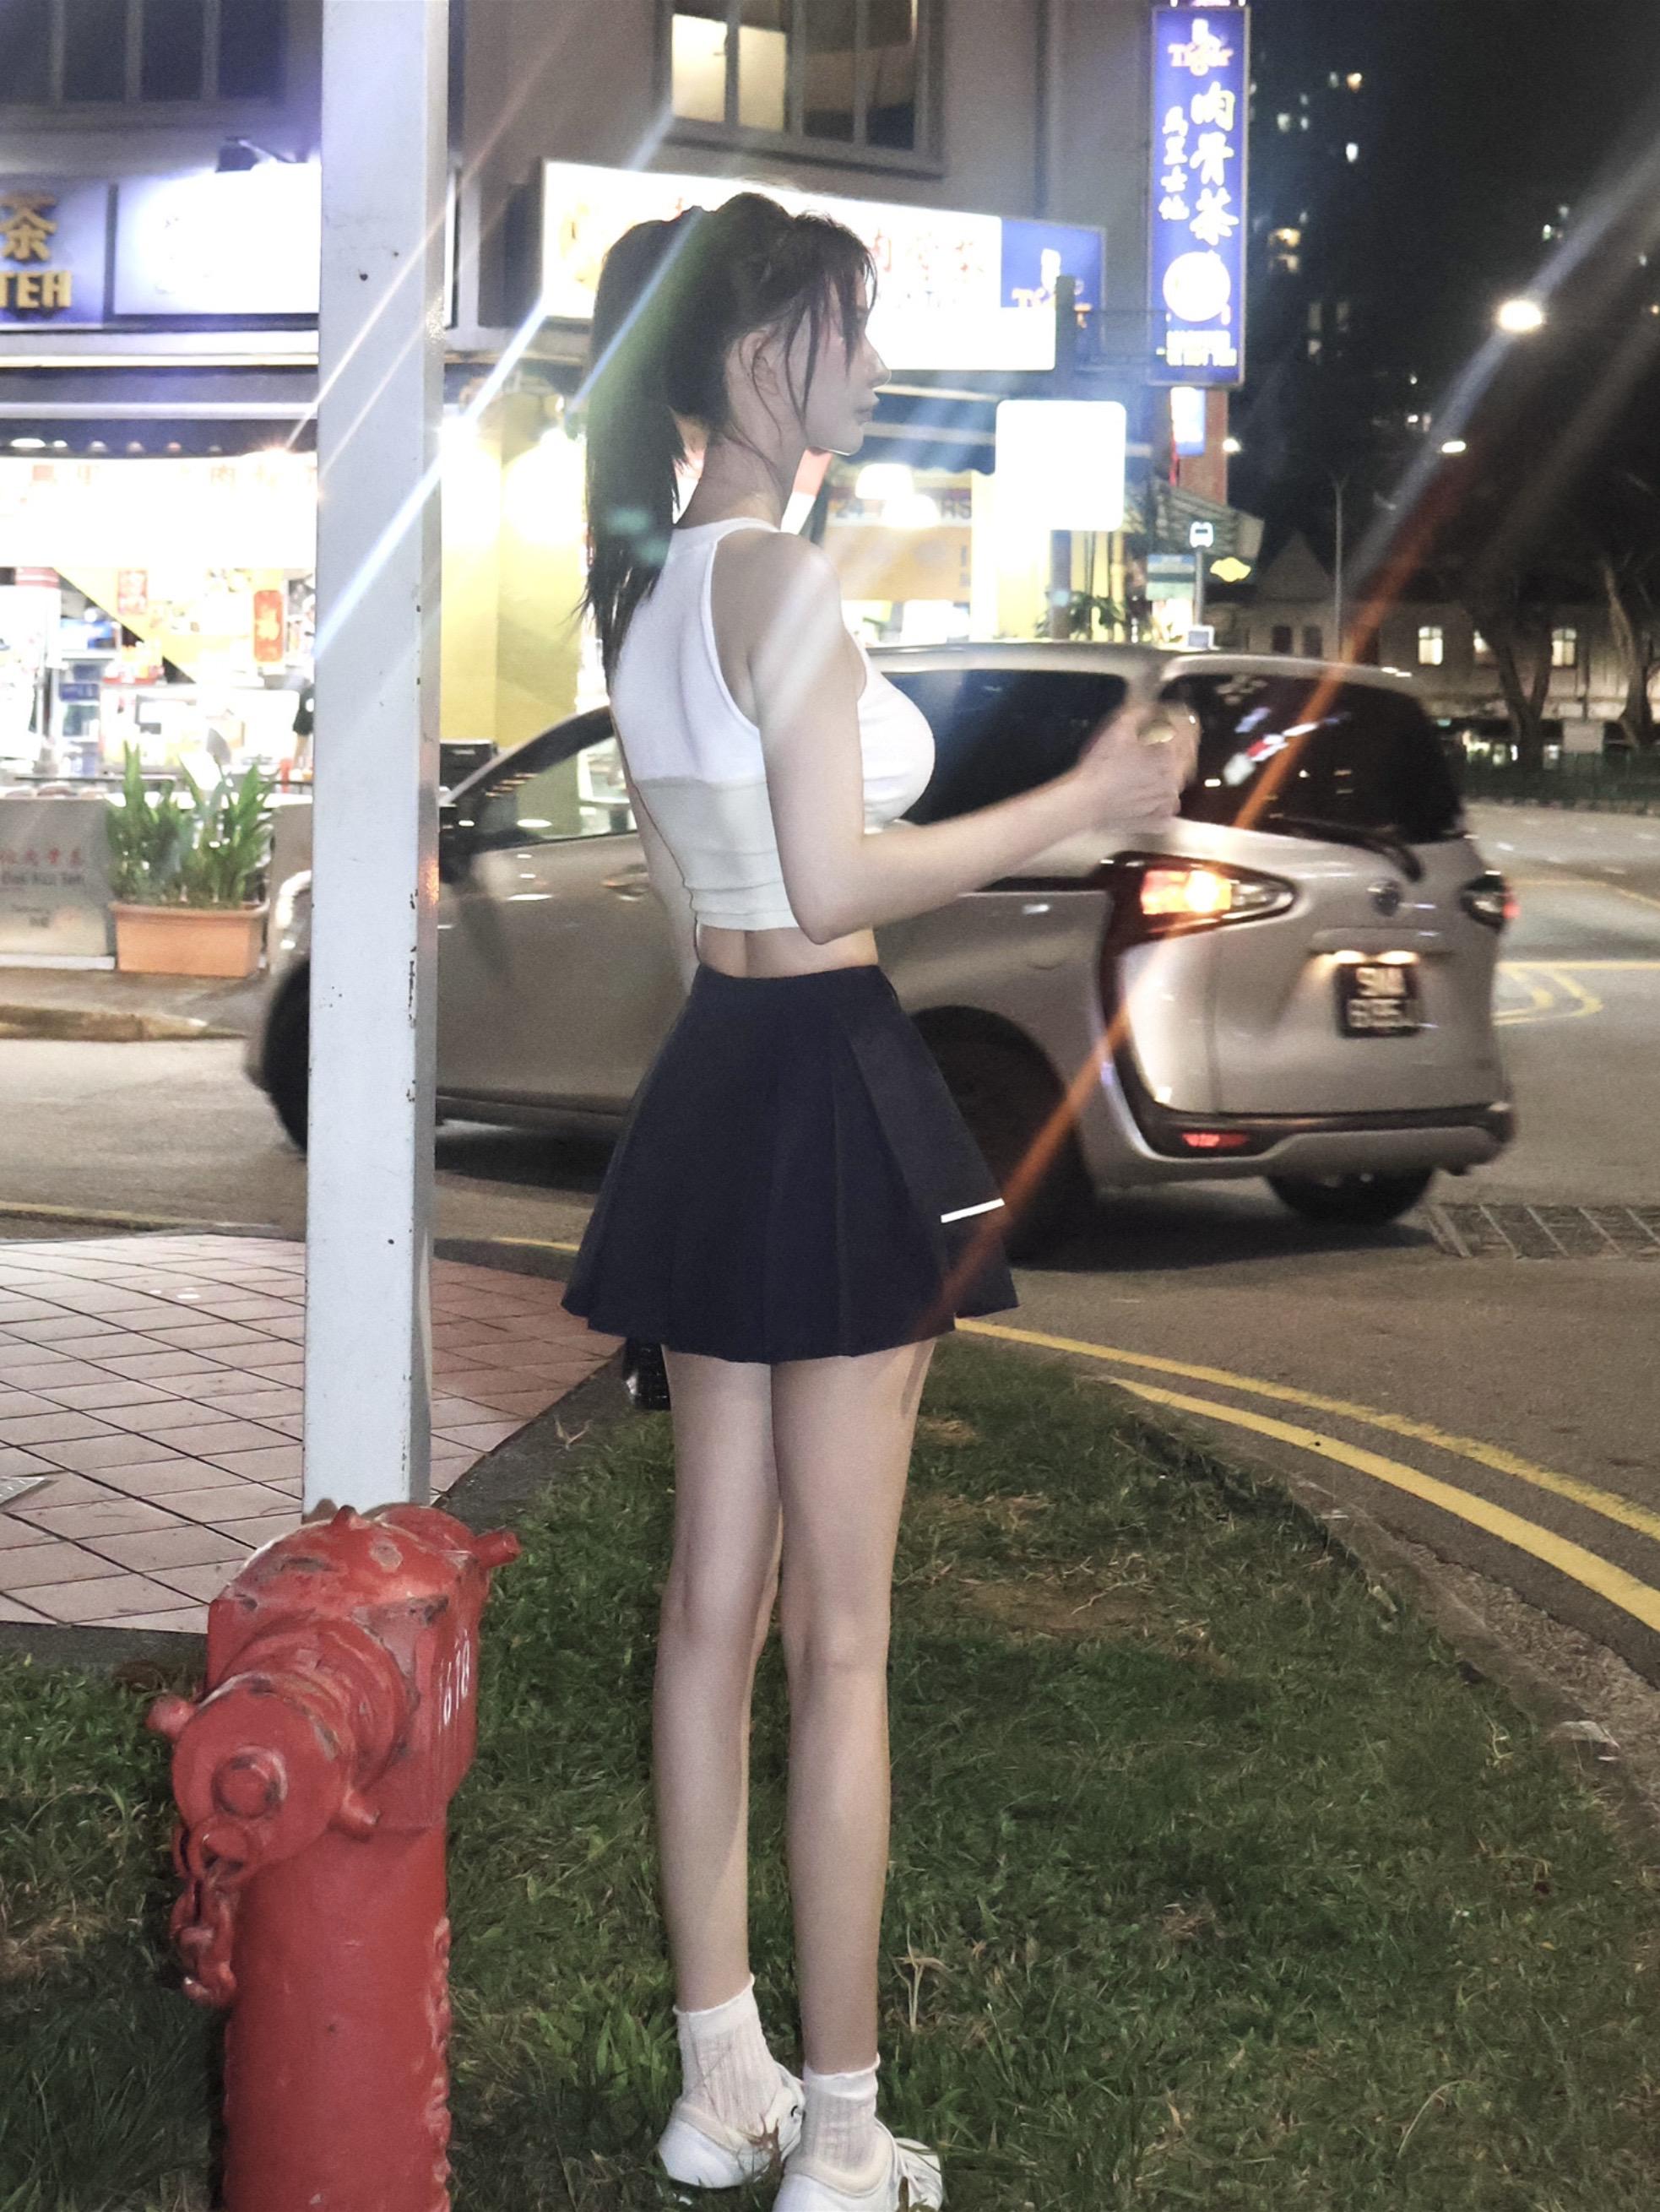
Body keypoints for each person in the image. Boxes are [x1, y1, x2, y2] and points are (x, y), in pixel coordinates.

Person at [560, 192, 1192, 2210]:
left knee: (707, 1615)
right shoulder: (777, 580)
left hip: (716, 1076)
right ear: (766, 354)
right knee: (838, 1639)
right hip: (824, 1074)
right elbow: (835, 881)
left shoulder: (646, 590)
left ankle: (720, 2080)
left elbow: (695, 891)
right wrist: (1081, 805)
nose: (876, 360)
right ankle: (837, 2133)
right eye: (850, 326)